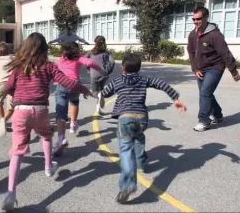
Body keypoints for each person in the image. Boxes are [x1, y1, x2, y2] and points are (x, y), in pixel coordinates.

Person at [2, 32, 93, 211]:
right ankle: (48, 167)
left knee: (17, 152)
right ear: (44, 49)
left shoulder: (18, 67)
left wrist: (17, 97)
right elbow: (67, 82)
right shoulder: (48, 66)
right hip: (40, 110)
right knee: (45, 136)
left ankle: (11, 192)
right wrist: (84, 89)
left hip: (20, 111)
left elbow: (7, 88)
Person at [98, 53, 187, 203]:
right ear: (139, 69)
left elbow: (105, 93)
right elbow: (162, 84)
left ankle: (128, 185)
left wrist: (99, 95)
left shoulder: (118, 80)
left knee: (126, 150)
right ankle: (140, 163)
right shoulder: (144, 79)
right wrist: (176, 99)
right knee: (138, 137)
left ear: (123, 68)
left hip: (125, 119)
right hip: (142, 119)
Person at [187, 6, 240, 132]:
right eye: (193, 19)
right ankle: (218, 115)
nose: (196, 22)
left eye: (198, 19)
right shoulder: (192, 34)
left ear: (206, 17)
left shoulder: (215, 35)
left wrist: (234, 71)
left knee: (205, 93)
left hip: (215, 67)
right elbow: (190, 52)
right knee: (206, 93)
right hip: (200, 69)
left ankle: (204, 121)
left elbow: (225, 53)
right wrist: (195, 69)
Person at [53, 42, 105, 156]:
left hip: (61, 85)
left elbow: (54, 68)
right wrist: (100, 70)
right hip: (75, 86)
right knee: (74, 102)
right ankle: (73, 123)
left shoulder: (61, 59)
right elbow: (90, 62)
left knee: (60, 112)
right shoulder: (79, 58)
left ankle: (61, 138)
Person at [85, 35, 115, 114]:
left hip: (94, 74)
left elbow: (84, 60)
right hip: (104, 74)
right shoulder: (107, 53)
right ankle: (98, 110)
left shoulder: (91, 52)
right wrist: (108, 71)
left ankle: (99, 103)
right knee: (101, 91)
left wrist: (88, 68)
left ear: (95, 43)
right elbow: (112, 62)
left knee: (95, 92)